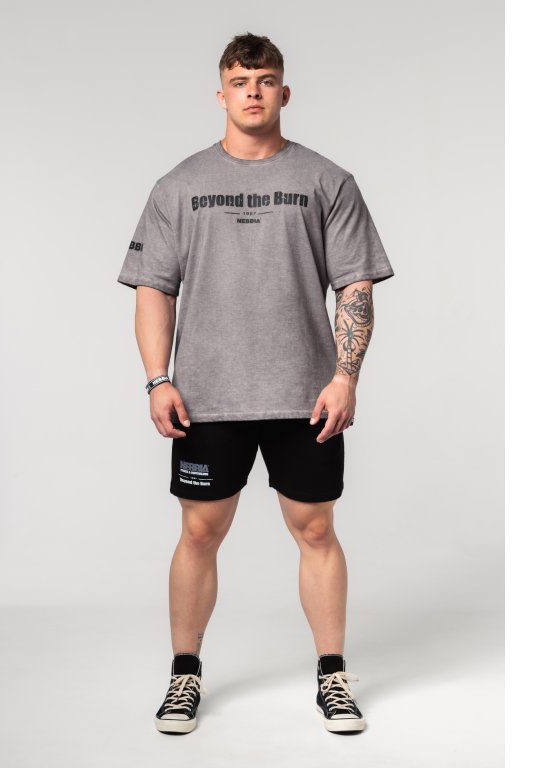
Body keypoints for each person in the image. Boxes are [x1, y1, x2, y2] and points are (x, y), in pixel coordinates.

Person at [116, 32, 394, 735]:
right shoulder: (178, 186)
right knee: (199, 532)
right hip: (207, 397)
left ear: (284, 92)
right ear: (221, 94)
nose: (253, 92)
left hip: (306, 395)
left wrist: (345, 376)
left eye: (265, 80)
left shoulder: (328, 181)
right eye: (240, 82)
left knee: (317, 528)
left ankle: (333, 676)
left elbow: (355, 287)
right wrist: (157, 379)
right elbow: (153, 289)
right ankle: (185, 675)